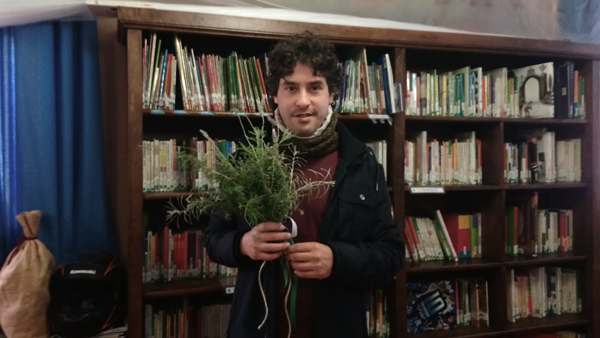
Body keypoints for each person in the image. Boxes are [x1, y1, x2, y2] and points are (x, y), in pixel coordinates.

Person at [205, 31, 404, 338]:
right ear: (275, 94)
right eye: (290, 88)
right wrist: (243, 245)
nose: (302, 101)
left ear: (331, 94)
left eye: (314, 87)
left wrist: (336, 260)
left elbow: (390, 256)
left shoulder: (362, 164)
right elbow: (214, 238)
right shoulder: (245, 158)